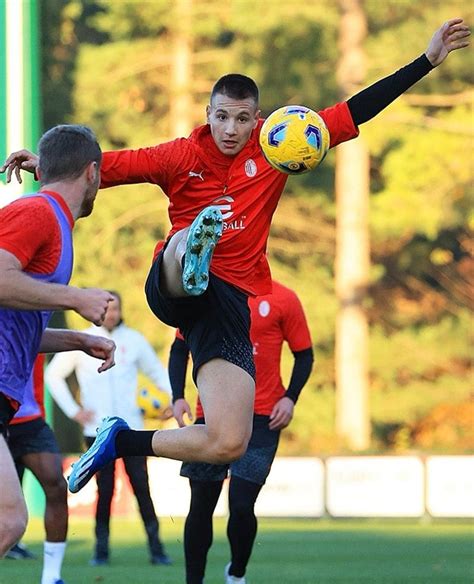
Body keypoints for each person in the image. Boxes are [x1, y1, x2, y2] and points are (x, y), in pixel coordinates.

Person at [1, 21, 470, 495]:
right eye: (222, 117)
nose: (230, 129)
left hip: (227, 306)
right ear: (208, 113)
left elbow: (354, 111)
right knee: (184, 249)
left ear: (257, 118)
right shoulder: (179, 155)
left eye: (242, 119)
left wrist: (426, 61)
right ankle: (192, 245)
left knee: (228, 441)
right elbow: (103, 168)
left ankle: (121, 441)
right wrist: (45, 164)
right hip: (173, 286)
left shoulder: (280, 145)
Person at [0, 124, 116, 558]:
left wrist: (77, 340)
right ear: (92, 173)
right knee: (9, 519)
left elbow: (15, 325)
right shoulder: (37, 213)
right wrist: (75, 296)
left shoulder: (54, 224)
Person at [170, 279, 313, 584]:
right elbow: (179, 348)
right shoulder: (206, 293)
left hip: (263, 417)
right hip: (210, 413)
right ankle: (193, 581)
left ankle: (236, 574)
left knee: (241, 504)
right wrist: (177, 395)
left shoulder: (284, 298)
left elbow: (305, 354)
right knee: (201, 503)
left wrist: (290, 398)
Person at [45, 291, 173, 567]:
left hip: (131, 430)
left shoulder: (134, 340)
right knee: (104, 492)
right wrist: (73, 411)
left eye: (116, 308)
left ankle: (157, 550)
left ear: (121, 310)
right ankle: (100, 552)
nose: (111, 313)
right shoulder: (84, 341)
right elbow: (52, 375)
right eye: (107, 308)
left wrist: (174, 400)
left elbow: (157, 373)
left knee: (142, 488)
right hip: (97, 430)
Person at [6, 355, 69, 584]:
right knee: (11, 519)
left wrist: (85, 341)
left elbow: (45, 338)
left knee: (57, 485)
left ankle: (51, 576)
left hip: (29, 420)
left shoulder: (32, 323)